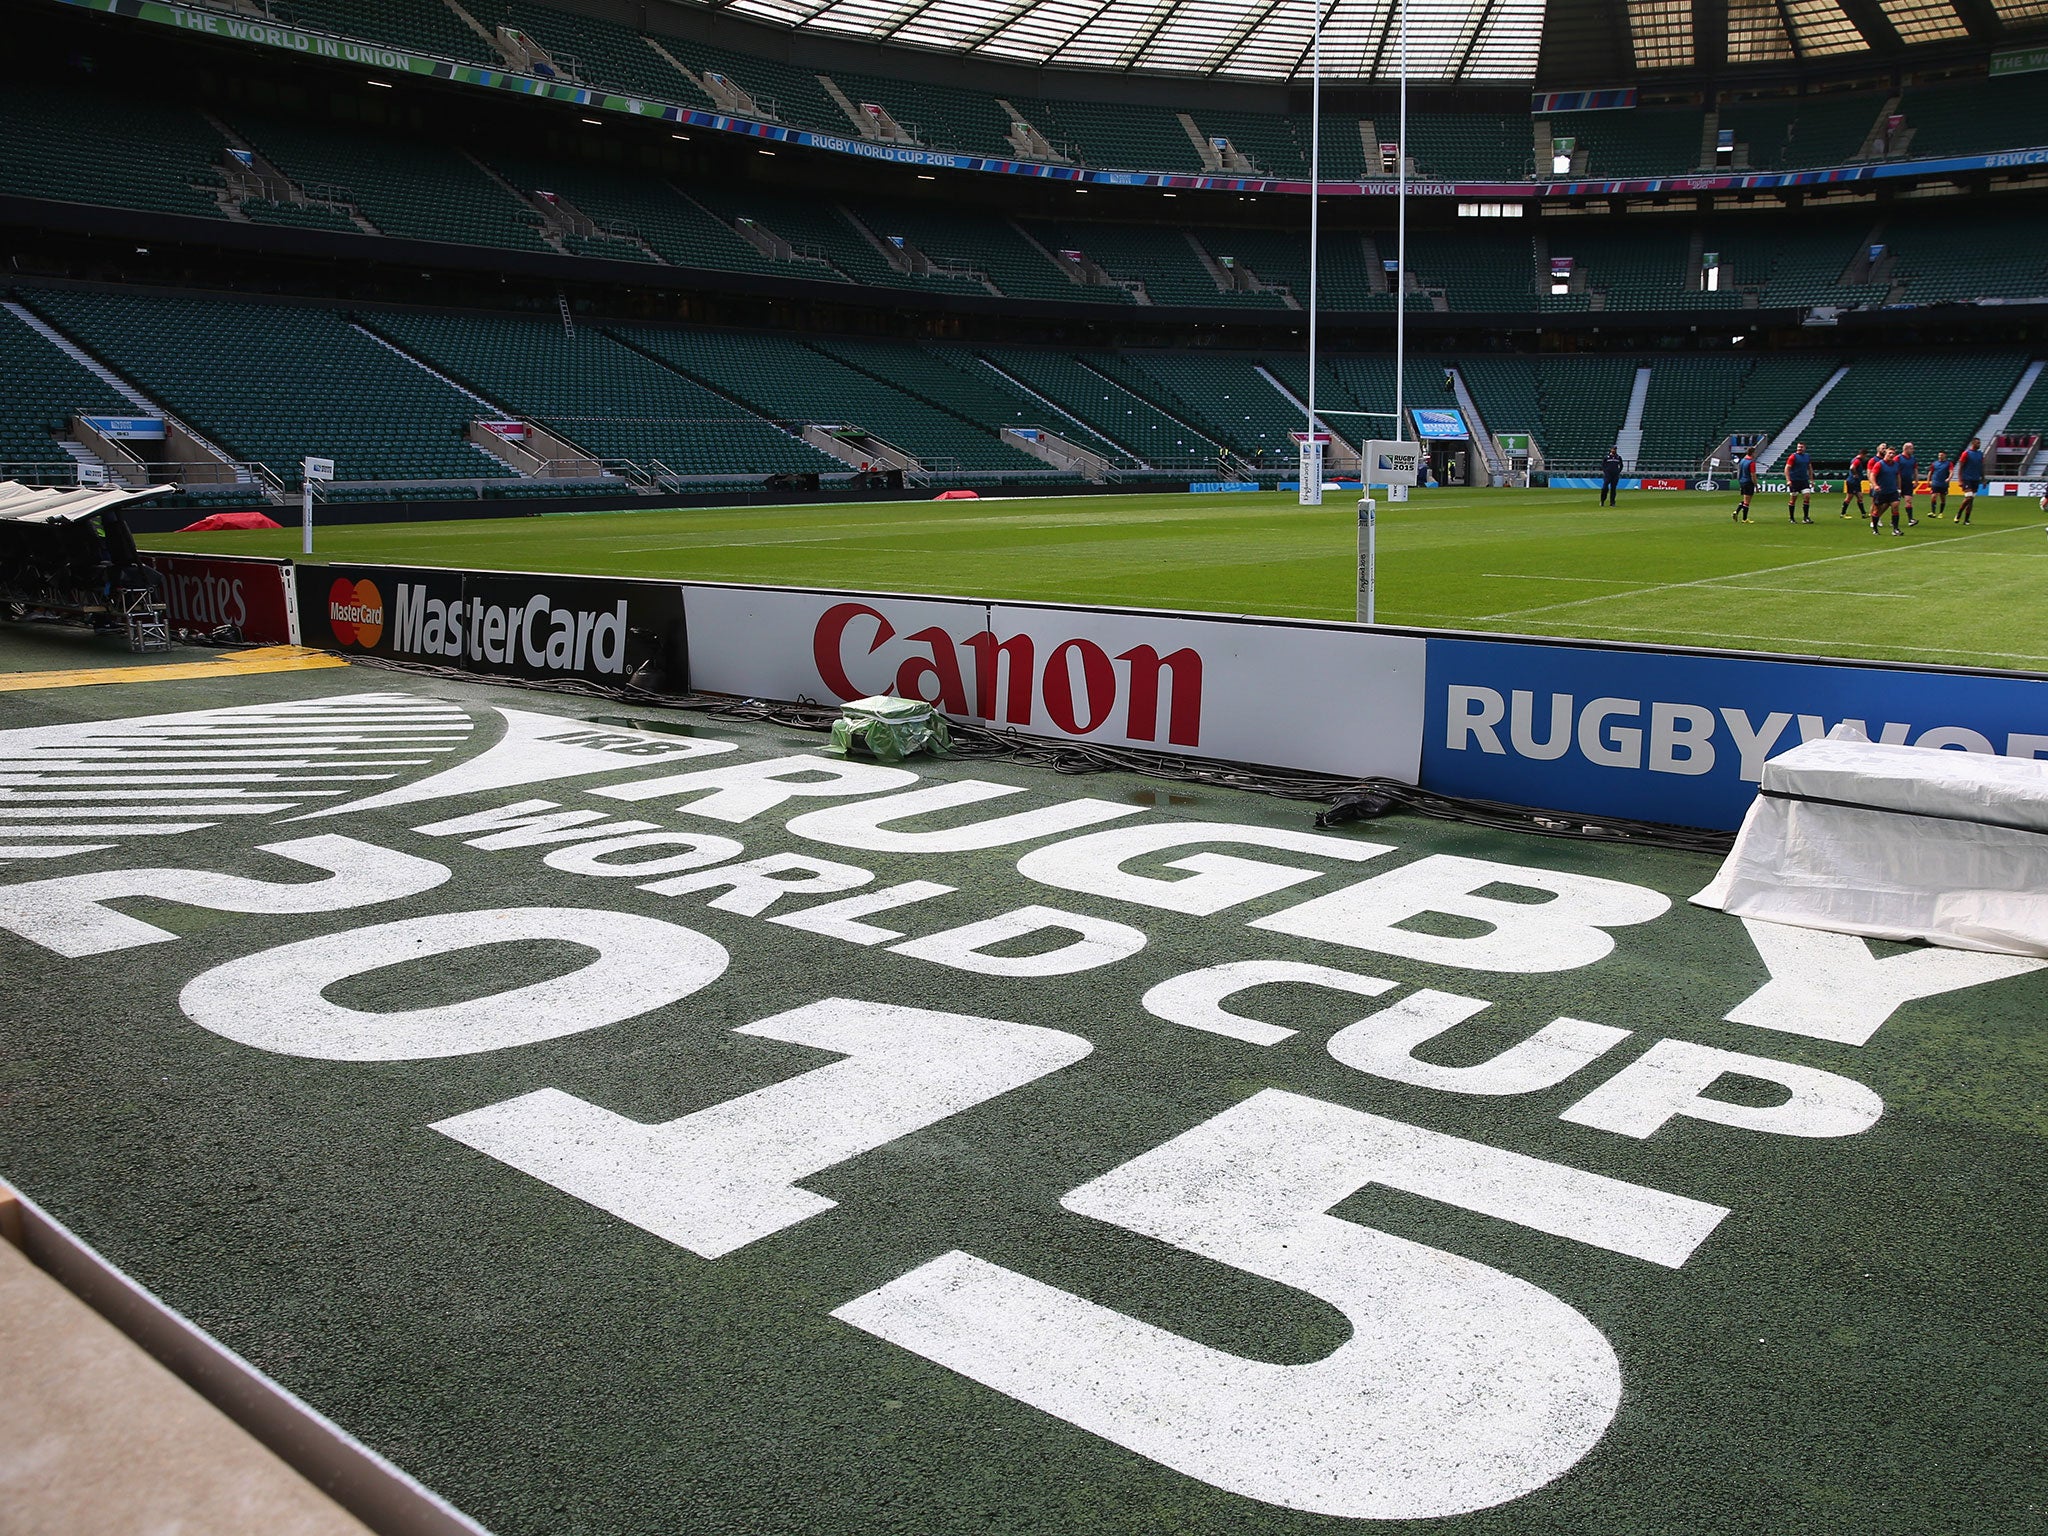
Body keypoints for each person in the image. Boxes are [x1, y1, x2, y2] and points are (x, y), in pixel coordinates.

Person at [1870, 447, 1904, 536]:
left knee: (1895, 506)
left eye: (1893, 453)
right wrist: (1875, 485)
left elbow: (1898, 477)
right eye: (1890, 453)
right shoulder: (1879, 464)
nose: (1891, 455)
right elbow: (1872, 475)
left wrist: (1899, 488)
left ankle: (1895, 529)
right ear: (1885, 454)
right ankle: (1875, 528)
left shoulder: (1896, 465)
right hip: (1881, 491)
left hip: (1892, 491)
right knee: (1877, 510)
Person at [1956, 437, 1984, 524]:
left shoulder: (1980, 454)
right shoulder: (1966, 453)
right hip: (1967, 479)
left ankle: (1966, 520)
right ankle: (1958, 514)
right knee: (1969, 497)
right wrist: (1960, 479)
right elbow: (1960, 467)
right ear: (1973, 443)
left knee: (1971, 500)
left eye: (1979, 443)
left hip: (1976, 479)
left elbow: (1981, 466)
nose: (1979, 444)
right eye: (1977, 443)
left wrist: (1983, 478)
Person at [1785, 442, 1814, 523]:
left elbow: (1810, 468)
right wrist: (1788, 480)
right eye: (1798, 447)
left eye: (1801, 447)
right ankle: (1791, 518)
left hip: (1804, 480)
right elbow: (1787, 469)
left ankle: (1805, 518)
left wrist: (1811, 479)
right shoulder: (1793, 456)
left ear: (1804, 448)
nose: (1799, 448)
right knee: (1793, 499)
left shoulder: (1807, 456)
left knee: (1807, 496)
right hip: (1794, 481)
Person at [1732, 448, 1757, 522]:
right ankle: (1744, 519)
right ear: (1752, 453)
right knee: (1747, 501)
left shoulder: (1742, 461)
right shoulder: (1751, 462)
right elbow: (1753, 475)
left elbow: (1739, 472)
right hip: (1748, 482)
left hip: (1742, 481)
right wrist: (1756, 485)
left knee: (1745, 499)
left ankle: (1736, 512)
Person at [1840, 451, 1867, 518]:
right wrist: (1855, 474)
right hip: (1853, 482)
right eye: (1865, 455)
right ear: (1862, 454)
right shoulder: (1857, 460)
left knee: (1860, 497)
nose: (1865, 457)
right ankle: (1843, 513)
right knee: (1849, 497)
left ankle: (1863, 514)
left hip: (1856, 482)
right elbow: (1852, 467)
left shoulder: (1855, 459)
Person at [1898, 441, 1919, 527]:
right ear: (1906, 449)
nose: (1913, 450)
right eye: (1911, 448)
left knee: (1908, 501)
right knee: (1894, 503)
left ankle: (1910, 519)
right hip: (1898, 483)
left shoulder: (1913, 459)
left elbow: (1915, 470)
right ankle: (1893, 520)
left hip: (1908, 483)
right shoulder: (1898, 458)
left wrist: (1916, 480)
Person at [1928, 450, 1953, 520]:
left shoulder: (1948, 463)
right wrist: (1928, 481)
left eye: (1941, 455)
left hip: (1943, 483)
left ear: (1945, 455)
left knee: (1943, 498)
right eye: (1939, 455)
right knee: (1933, 496)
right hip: (1935, 482)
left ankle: (1941, 513)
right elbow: (1930, 472)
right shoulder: (1934, 463)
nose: (1940, 456)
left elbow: (1951, 472)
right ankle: (1933, 512)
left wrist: (1949, 478)